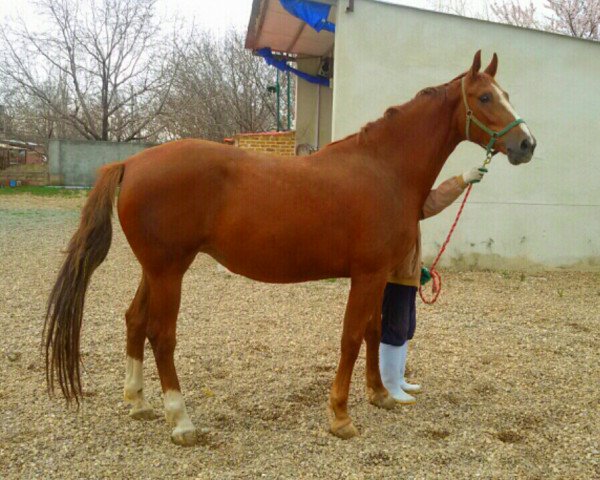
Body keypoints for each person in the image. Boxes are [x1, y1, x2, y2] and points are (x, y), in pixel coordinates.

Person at [379, 166, 487, 404]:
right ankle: (388, 384)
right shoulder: (400, 201)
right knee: (394, 329)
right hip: (395, 276)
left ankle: (396, 378)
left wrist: (419, 269)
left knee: (406, 329)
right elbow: (434, 200)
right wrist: (462, 180)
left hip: (407, 274)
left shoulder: (404, 197)